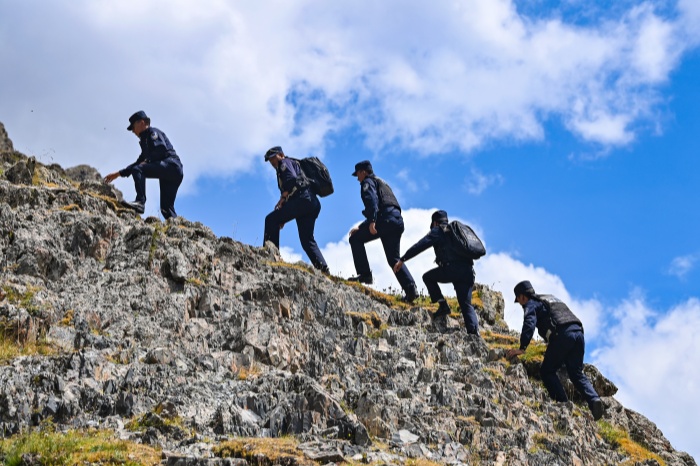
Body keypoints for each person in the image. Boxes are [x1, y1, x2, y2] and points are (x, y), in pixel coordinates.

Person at [507, 280, 604, 420]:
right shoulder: (549, 298)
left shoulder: (531, 304)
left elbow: (529, 322)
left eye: (519, 300)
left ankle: (563, 404)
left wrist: (522, 348)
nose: (521, 304)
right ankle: (594, 400)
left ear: (522, 296)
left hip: (562, 335)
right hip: (578, 332)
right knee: (576, 372)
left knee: (547, 371)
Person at [393, 210, 479, 334]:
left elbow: (421, 245)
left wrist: (403, 259)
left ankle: (442, 305)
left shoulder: (438, 231)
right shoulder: (456, 233)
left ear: (435, 223)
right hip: (468, 272)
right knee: (466, 304)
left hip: (452, 269)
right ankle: (474, 333)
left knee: (428, 277)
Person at [348, 160, 418, 302]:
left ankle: (365, 274)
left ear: (363, 172)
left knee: (355, 239)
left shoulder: (367, 182)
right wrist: (362, 226)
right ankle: (411, 290)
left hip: (384, 221)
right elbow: (385, 207)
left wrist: (372, 221)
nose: (357, 179)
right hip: (396, 221)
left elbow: (372, 201)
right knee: (393, 259)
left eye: (358, 175)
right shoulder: (382, 182)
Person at [104, 111, 183, 220]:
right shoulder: (145, 142)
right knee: (165, 208)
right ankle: (176, 227)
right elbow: (138, 163)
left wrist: (147, 160)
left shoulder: (152, 132)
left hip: (171, 165)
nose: (132, 131)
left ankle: (140, 202)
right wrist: (118, 174)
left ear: (141, 122)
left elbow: (161, 149)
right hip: (173, 173)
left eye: (133, 127)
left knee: (138, 169)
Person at [263, 146, 329, 273]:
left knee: (271, 219)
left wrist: (283, 197)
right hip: (312, 203)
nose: (272, 162)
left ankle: (270, 256)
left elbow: (292, 179)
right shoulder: (294, 163)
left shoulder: (284, 163)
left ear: (281, 154)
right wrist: (284, 217)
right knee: (307, 239)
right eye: (270, 160)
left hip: (302, 200)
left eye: (273, 158)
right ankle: (323, 269)